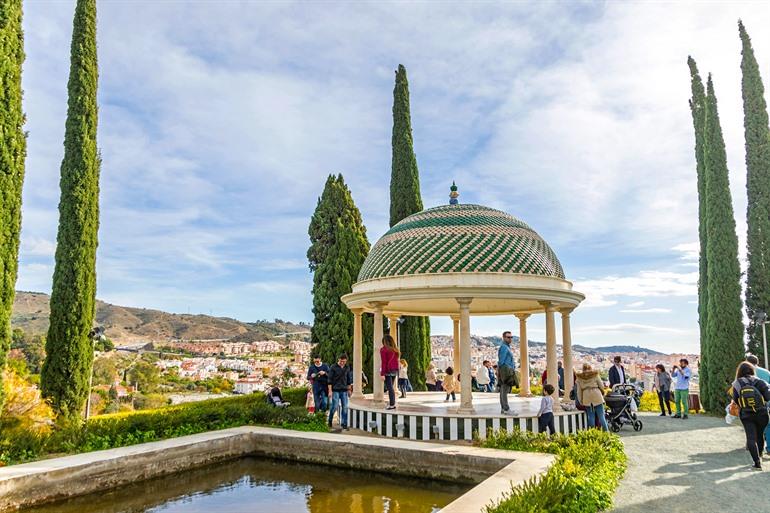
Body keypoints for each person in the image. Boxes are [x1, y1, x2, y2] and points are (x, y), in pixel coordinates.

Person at [730, 361, 770, 470]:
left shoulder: (737, 383)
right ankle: (760, 455)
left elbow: (736, 400)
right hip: (762, 413)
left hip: (746, 415)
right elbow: (768, 397)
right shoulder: (760, 381)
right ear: (752, 370)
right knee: (760, 435)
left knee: (751, 437)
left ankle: (757, 463)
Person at [747, 354, 770, 452]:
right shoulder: (766, 372)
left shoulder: (746, 373)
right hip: (765, 401)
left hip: (750, 402)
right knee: (768, 424)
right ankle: (769, 448)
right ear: (757, 362)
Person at [576, 363, 608, 431]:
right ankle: (606, 432)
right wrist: (602, 393)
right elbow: (601, 386)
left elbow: (579, 391)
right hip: (596, 394)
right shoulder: (595, 375)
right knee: (601, 416)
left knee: (590, 416)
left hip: (586, 396)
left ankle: (592, 433)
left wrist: (581, 401)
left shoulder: (579, 378)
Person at [327, 354, 353, 430]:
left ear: (346, 361)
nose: (342, 363)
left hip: (344, 390)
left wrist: (349, 390)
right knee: (334, 406)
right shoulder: (333, 367)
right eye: (341, 361)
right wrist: (330, 391)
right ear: (338, 359)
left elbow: (348, 380)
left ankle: (344, 423)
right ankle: (330, 420)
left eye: (344, 362)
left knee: (345, 407)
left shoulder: (347, 367)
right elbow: (329, 380)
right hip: (335, 390)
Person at [498, 331, 517, 415]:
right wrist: (502, 372)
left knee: (503, 390)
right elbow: (501, 361)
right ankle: (506, 409)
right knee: (504, 390)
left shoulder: (506, 347)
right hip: (506, 371)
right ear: (504, 338)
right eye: (508, 337)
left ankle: (504, 409)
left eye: (511, 337)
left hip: (506, 370)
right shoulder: (504, 347)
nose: (510, 339)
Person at [380, 334, 400, 410]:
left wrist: (382, 373)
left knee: (390, 388)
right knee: (391, 388)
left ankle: (392, 404)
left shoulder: (383, 350)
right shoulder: (395, 350)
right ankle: (392, 402)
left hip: (388, 370)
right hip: (395, 370)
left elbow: (384, 362)